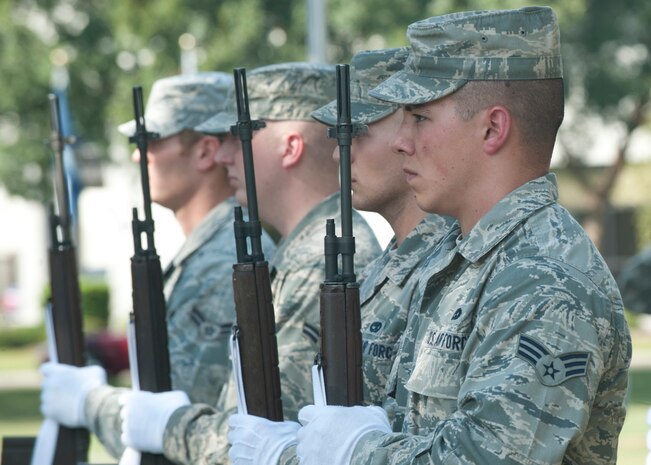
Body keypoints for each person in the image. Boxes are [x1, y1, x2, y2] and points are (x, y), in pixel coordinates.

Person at [229, 7, 632, 465]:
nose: (401, 140)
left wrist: (351, 451)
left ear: (492, 128)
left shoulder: (543, 281)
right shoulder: (459, 261)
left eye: (419, 118)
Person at [117, 62, 382, 465]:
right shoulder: (303, 255)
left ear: (290, 147)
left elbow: (269, 425)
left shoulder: (320, 265)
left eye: (239, 135)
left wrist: (152, 421)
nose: (224, 154)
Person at [38, 71, 276, 458]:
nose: (137, 154)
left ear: (204, 151)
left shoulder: (225, 264)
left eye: (152, 141)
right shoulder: (205, 253)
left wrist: (90, 402)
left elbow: (180, 408)